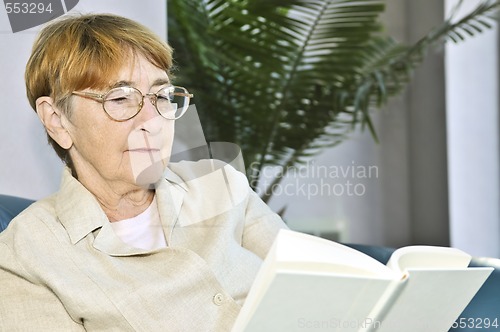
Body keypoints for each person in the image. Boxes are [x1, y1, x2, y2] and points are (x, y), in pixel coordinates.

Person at [0, 14, 287, 331]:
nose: (153, 120)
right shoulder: (26, 254)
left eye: (162, 96)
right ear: (57, 120)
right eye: (120, 97)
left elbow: (314, 280)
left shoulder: (219, 183)